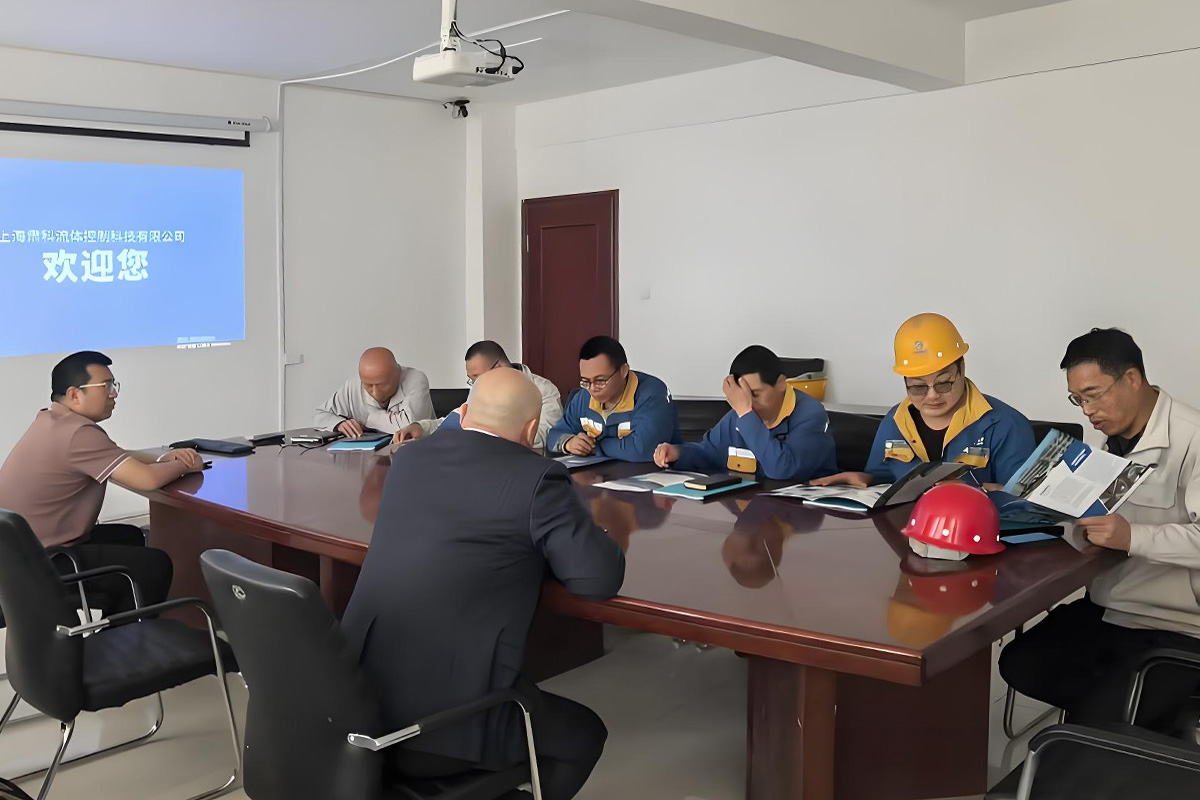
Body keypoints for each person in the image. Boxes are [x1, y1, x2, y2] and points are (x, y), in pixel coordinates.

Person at [340, 368, 625, 800]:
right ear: (531, 429)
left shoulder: (410, 459)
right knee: (583, 736)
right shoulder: (538, 479)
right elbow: (596, 577)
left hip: (357, 706)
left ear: (464, 412)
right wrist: (588, 532)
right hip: (443, 728)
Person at [999, 328, 1200, 734]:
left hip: (1177, 625)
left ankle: (1109, 739)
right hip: (1109, 607)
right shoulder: (1110, 439)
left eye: (1093, 394)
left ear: (1132, 378)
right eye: (1078, 400)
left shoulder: (1192, 439)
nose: (1087, 411)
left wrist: (1132, 537)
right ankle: (1108, 731)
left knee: (1102, 712)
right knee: (1021, 662)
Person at [0, 351, 204, 613]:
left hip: (18, 554)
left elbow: (115, 455)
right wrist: (186, 464)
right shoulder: (78, 433)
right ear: (75, 394)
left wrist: (164, 457)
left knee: (130, 537)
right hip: (44, 562)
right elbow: (147, 480)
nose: (114, 394)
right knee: (154, 565)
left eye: (113, 385)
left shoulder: (52, 421)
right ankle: (122, 636)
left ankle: (115, 620)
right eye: (106, 386)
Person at [813, 313, 1035, 490]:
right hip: (907, 530)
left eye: (943, 383)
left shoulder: (1006, 425)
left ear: (962, 369)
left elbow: (1024, 501)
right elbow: (884, 480)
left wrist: (975, 491)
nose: (932, 396)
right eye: (918, 387)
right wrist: (866, 480)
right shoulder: (895, 421)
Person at [653, 345, 837, 481]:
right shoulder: (740, 414)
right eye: (742, 396)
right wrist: (678, 453)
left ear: (781, 383)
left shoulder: (811, 415)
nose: (749, 403)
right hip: (758, 509)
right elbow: (709, 453)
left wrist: (746, 414)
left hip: (806, 515)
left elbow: (783, 470)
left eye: (755, 394)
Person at [393, 340, 563, 450]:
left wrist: (491, 433)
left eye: (477, 377)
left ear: (498, 367)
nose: (475, 384)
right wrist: (420, 428)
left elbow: (546, 435)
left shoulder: (543, 390)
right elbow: (455, 421)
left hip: (524, 467)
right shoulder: (481, 389)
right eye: (472, 380)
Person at [547, 336, 680, 462]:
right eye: (586, 381)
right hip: (597, 474)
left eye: (600, 381)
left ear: (623, 371)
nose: (592, 389)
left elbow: (643, 449)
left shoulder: (652, 393)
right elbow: (554, 435)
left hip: (651, 474)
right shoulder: (584, 396)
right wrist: (568, 443)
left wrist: (595, 446)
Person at [315, 347, 432, 437]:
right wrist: (338, 424)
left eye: (382, 385)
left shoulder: (416, 379)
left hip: (412, 450)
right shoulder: (353, 386)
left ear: (397, 374)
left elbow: (409, 426)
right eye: (368, 385)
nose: (375, 393)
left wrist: (366, 420)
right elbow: (320, 416)